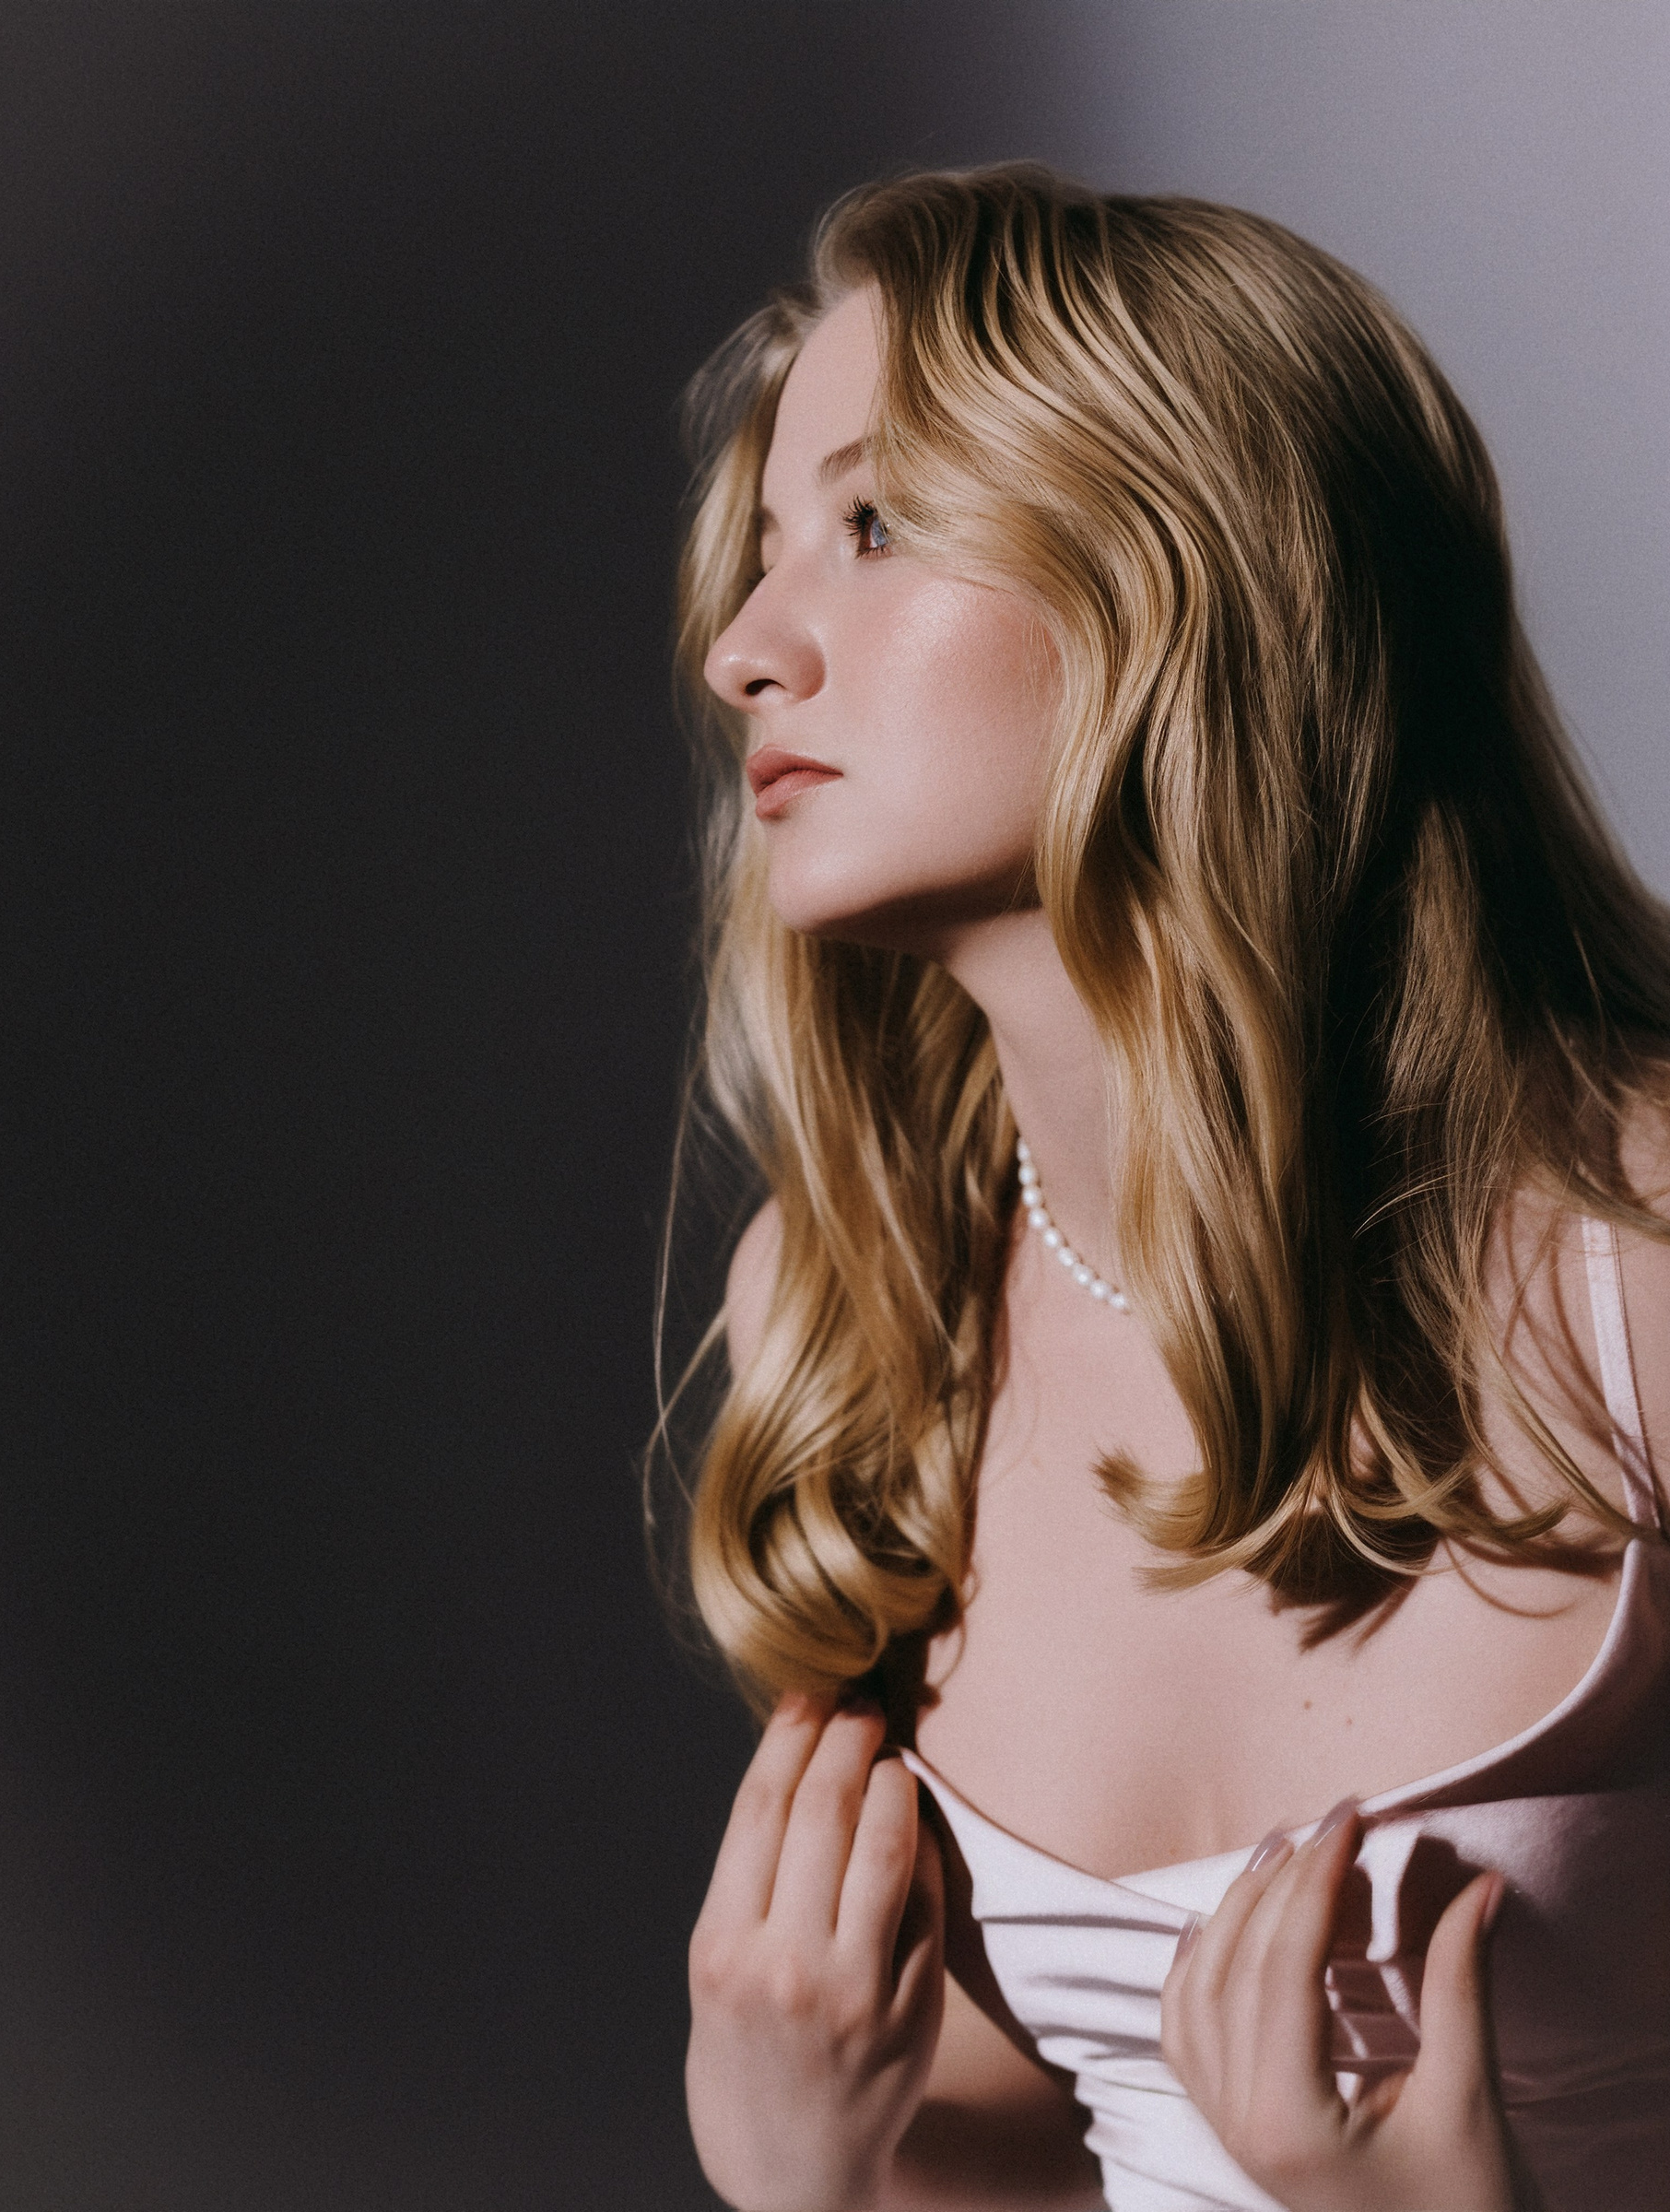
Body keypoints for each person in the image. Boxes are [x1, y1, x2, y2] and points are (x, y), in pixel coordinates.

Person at [659, 164, 1670, 2212]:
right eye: (761, 561)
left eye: (874, 525)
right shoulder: (850, 1322)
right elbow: (1024, 2170)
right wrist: (808, 2180)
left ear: (1183, 565)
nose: (746, 653)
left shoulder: (1634, 1269)